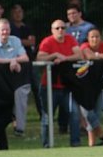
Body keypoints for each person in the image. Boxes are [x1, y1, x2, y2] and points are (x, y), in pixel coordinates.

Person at [0, 18, 30, 150]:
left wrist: (14, 60)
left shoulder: (15, 40)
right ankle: (1, 146)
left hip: (11, 84)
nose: (5, 32)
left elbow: (25, 58)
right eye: (2, 29)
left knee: (8, 115)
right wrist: (12, 61)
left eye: (7, 29)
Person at [36, 19, 84, 147]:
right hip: (49, 86)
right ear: (52, 30)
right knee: (47, 118)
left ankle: (76, 144)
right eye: (57, 28)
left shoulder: (70, 39)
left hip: (67, 86)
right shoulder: (47, 42)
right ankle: (46, 145)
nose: (60, 30)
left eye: (62, 28)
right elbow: (40, 57)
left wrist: (64, 58)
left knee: (74, 114)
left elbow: (79, 55)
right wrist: (54, 55)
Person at [78, 29, 103, 146]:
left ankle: (92, 144)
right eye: (92, 37)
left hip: (98, 86)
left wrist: (97, 55)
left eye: (97, 37)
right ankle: (102, 135)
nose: (95, 39)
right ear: (88, 39)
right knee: (88, 114)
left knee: (97, 114)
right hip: (84, 87)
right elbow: (90, 56)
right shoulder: (84, 46)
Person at [9, 3, 38, 134]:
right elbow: (12, 42)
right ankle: (14, 120)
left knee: (37, 89)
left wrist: (18, 41)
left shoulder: (27, 27)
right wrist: (22, 41)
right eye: (15, 12)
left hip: (29, 63)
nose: (18, 14)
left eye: (20, 11)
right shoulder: (9, 27)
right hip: (14, 64)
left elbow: (32, 42)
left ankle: (43, 115)